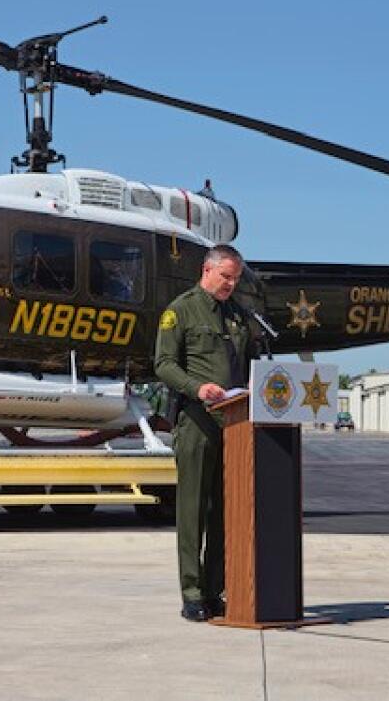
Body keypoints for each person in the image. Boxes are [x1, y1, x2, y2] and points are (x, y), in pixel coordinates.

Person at [153, 244, 256, 622]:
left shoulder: (239, 317)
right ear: (206, 270)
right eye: (226, 276)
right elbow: (163, 364)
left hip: (233, 425)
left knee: (223, 513)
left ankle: (215, 591)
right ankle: (192, 592)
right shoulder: (180, 311)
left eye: (236, 278)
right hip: (196, 420)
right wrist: (197, 387)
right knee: (193, 511)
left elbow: (247, 368)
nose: (231, 284)